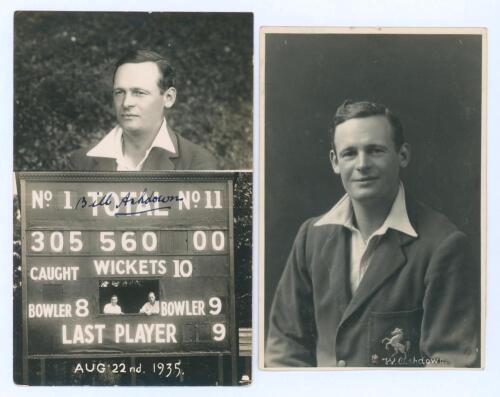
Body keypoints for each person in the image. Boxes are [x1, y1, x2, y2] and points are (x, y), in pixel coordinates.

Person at [265, 100, 480, 368]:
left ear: (402, 155)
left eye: (375, 150)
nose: (362, 164)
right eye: (349, 153)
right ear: (335, 162)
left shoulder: (443, 246)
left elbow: (449, 365)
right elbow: (283, 350)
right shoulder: (311, 237)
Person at [67, 49, 217, 171]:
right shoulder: (81, 163)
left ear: (169, 97)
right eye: (119, 92)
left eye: (139, 92)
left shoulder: (195, 162)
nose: (126, 103)